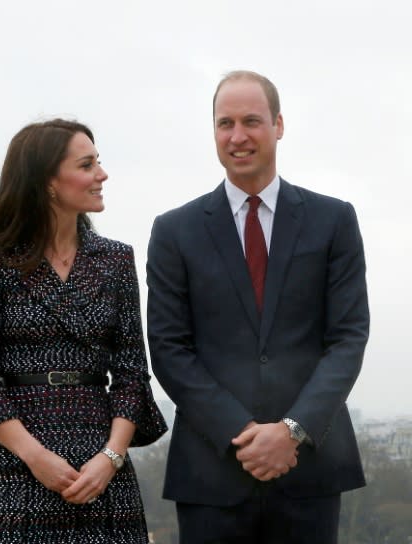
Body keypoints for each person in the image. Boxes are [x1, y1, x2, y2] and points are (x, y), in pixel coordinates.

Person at [146, 70, 369, 543]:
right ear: (213, 132)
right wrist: (243, 432)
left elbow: (348, 338)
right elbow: (169, 348)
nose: (238, 135)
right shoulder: (173, 232)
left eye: (252, 120)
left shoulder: (334, 220)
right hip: (212, 472)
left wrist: (292, 430)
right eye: (225, 123)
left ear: (279, 125)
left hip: (309, 467)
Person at [0, 118, 167, 543]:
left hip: (100, 460)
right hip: (19, 459)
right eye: (87, 165)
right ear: (48, 181)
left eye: (98, 163)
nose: (101, 175)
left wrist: (110, 458)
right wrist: (36, 457)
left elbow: (131, 372)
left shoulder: (115, 260)